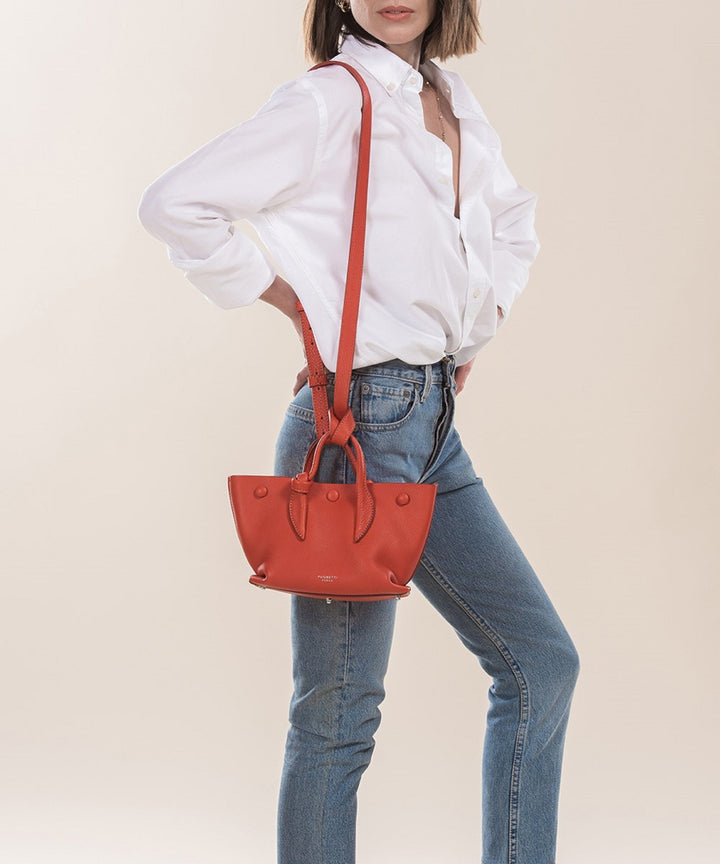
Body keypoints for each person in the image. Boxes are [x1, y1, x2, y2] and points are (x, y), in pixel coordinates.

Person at [137, 2, 581, 862]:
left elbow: (510, 222)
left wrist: (473, 325)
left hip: (430, 422)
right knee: (338, 715)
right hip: (356, 425)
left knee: (540, 663)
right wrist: (292, 299)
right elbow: (174, 203)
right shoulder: (333, 100)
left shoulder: (451, 101)